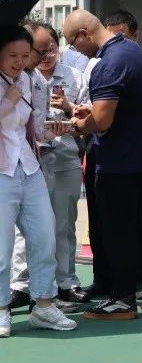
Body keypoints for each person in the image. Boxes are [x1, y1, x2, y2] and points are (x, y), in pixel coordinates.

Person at [63, 9, 142, 320]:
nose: (75, 49)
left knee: (116, 229)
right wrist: (95, 112)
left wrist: (77, 125)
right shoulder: (134, 52)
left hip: (117, 161)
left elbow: (103, 120)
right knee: (139, 224)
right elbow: (123, 107)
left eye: (72, 42)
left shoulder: (108, 63)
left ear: (84, 34)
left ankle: (122, 298)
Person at [0, 23, 78, 336]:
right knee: (2, 248)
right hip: (2, 172)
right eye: (13, 56)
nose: (21, 62)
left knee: (45, 237)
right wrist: (8, 100)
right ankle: (1, 309)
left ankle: (44, 304)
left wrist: (55, 131)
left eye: (25, 55)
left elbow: (32, 128)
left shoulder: (29, 80)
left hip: (30, 168)